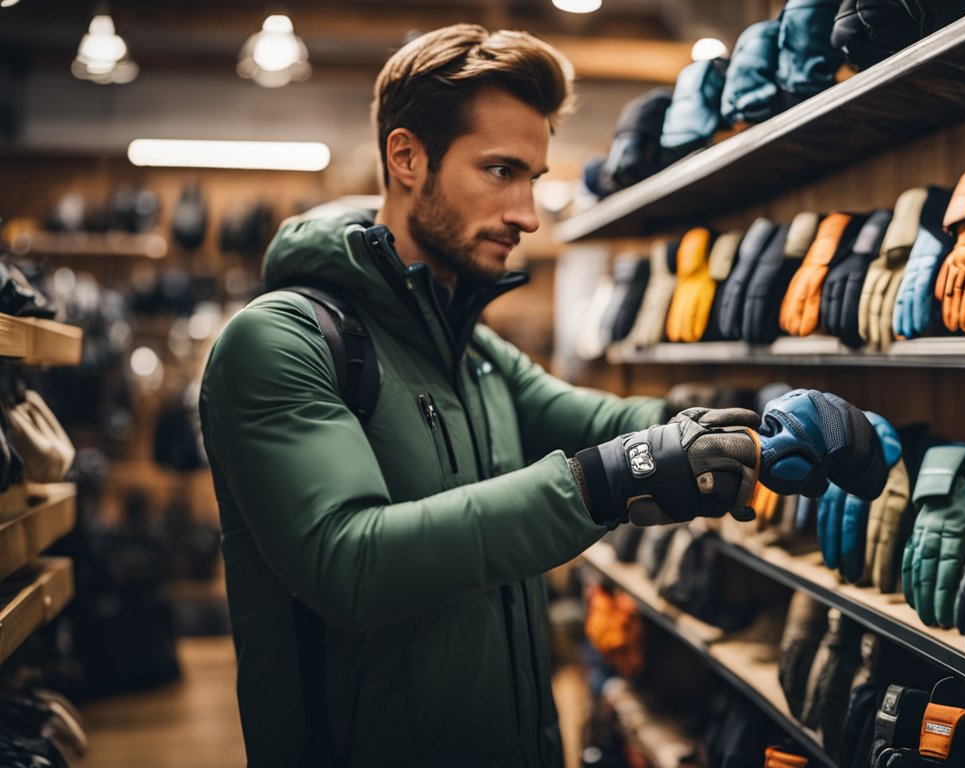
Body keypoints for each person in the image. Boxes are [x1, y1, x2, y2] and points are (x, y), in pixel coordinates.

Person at [201, 23, 882, 768]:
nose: (529, 214)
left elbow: (611, 422)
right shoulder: (281, 343)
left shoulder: (474, 353)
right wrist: (603, 483)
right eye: (501, 171)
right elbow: (348, 564)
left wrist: (762, 425)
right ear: (407, 158)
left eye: (534, 177)